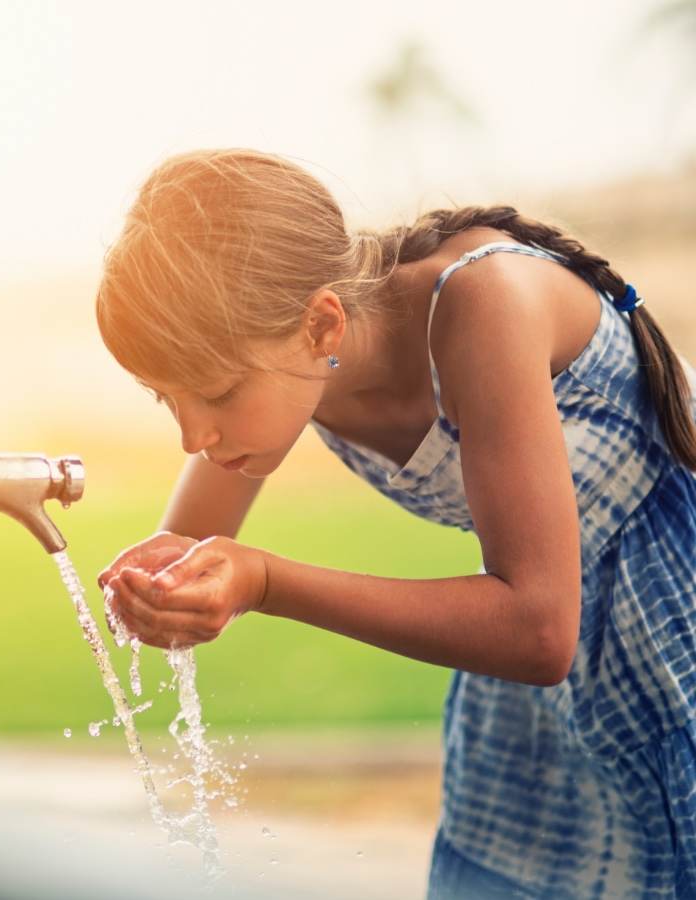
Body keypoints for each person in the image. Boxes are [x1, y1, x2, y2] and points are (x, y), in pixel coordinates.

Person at [94, 148, 696, 898]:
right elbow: (185, 549)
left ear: (322, 324)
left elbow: (539, 630)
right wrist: (162, 595)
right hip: (534, 692)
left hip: (672, 626)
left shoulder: (484, 305)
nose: (192, 436)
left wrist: (267, 583)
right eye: (166, 399)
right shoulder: (296, 366)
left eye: (213, 392)